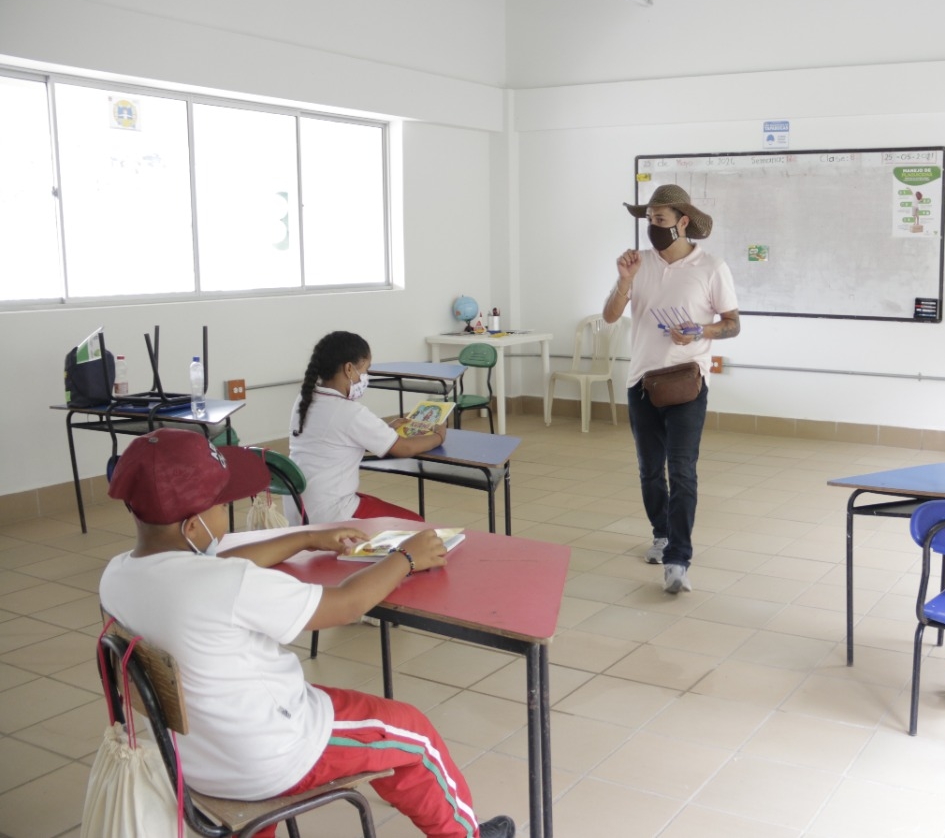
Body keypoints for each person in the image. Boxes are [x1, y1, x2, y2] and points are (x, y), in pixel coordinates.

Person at [98, 429, 514, 838]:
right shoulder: (228, 586)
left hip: (192, 762)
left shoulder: (116, 577)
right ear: (192, 527)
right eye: (223, 504)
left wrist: (307, 538)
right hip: (273, 755)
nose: (228, 510)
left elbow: (220, 562)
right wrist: (407, 557)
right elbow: (346, 604)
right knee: (413, 733)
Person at [603, 184, 740, 594]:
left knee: (682, 470)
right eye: (649, 220)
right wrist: (624, 280)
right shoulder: (638, 264)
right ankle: (661, 534)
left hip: (687, 382)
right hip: (641, 383)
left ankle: (678, 558)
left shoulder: (712, 267)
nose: (653, 227)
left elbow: (733, 323)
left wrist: (702, 329)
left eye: (660, 220)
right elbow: (611, 316)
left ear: (683, 223)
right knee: (649, 471)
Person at [289, 331, 446, 524]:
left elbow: (336, 438)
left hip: (300, 507)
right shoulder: (349, 412)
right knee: (414, 523)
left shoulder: (305, 399)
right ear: (349, 369)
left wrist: (384, 429)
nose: (365, 376)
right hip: (331, 513)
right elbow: (405, 448)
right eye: (365, 369)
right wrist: (438, 436)